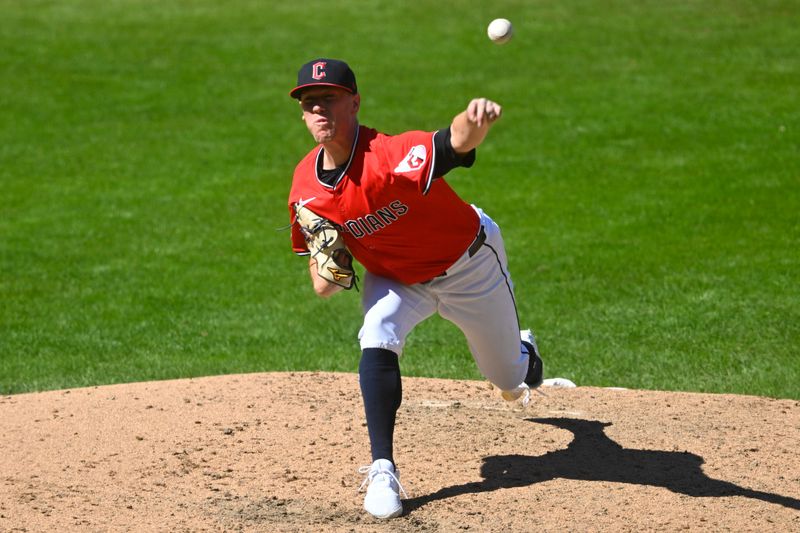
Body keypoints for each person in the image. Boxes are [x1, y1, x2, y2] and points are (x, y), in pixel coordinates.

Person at [286, 58, 543, 520]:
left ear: (355, 104)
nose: (319, 109)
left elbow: (452, 143)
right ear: (303, 115)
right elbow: (323, 287)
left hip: (468, 265)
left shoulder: (388, 155)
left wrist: (474, 118)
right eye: (310, 103)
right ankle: (383, 468)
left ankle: (527, 356)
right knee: (377, 331)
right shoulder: (306, 189)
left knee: (509, 379)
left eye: (329, 98)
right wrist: (328, 260)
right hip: (398, 278)